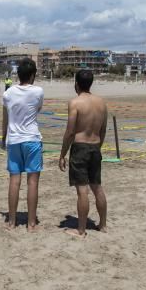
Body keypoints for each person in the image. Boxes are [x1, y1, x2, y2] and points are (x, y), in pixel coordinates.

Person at [57, 69, 108, 236]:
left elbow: (70, 131)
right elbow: (103, 130)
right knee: (97, 187)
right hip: (95, 146)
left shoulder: (75, 103)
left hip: (80, 147)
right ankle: (102, 225)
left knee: (82, 190)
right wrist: (98, 146)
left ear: (76, 84)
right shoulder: (101, 102)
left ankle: (81, 230)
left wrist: (62, 154)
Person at [1, 58, 44, 231]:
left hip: (14, 140)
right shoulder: (38, 91)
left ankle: (11, 221)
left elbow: (5, 118)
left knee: (14, 180)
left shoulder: (8, 93)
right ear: (33, 75)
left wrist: (4, 138)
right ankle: (31, 223)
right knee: (33, 182)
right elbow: (37, 109)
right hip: (32, 139)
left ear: (18, 75)